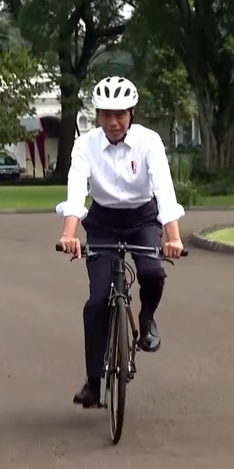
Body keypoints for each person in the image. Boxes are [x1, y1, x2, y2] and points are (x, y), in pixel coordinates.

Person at [56, 76, 186, 408]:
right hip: (102, 223)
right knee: (97, 300)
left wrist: (173, 237)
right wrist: (69, 233)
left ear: (132, 114)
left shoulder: (149, 142)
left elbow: (163, 190)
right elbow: (76, 190)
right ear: (98, 115)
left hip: (142, 218)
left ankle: (147, 319)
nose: (113, 122)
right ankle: (93, 381)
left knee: (153, 272)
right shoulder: (85, 145)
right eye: (106, 115)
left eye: (121, 115)